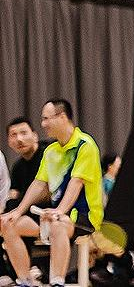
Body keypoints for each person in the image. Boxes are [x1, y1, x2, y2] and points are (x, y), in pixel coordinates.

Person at [0, 100, 104, 287]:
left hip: (83, 217)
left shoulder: (85, 145)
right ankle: (25, 281)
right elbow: (39, 184)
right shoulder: (51, 151)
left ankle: (57, 282)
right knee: (8, 224)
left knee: (58, 224)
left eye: (46, 119)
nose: (43, 124)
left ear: (62, 117)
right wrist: (17, 212)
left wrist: (59, 211)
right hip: (51, 216)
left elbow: (76, 183)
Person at [5, 119, 48, 213]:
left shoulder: (48, 153)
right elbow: (12, 196)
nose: (19, 139)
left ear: (35, 136)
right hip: (28, 212)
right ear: (9, 142)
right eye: (13, 135)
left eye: (23, 133)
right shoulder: (17, 167)